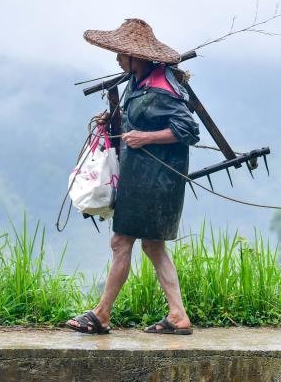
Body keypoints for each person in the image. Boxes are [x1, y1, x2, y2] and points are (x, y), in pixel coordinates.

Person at [66, 18, 200, 335]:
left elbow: (188, 130)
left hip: (155, 179)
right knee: (153, 247)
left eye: (121, 54)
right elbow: (140, 119)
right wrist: (113, 120)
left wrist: (144, 138)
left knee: (120, 241)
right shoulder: (140, 82)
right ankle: (178, 315)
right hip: (142, 176)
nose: (117, 59)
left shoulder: (162, 88)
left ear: (136, 56)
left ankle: (101, 314)